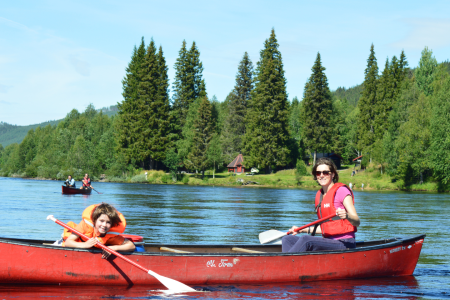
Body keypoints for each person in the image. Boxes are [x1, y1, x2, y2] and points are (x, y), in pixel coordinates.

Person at [282, 157, 360, 253]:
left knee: (307, 240)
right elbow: (324, 227)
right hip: (329, 241)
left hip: (345, 243)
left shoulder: (341, 191)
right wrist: (301, 230)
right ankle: (293, 264)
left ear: (333, 174)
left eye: (325, 172)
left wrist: (347, 216)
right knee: (287, 239)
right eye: (318, 173)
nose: (321, 175)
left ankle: (285, 264)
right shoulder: (320, 196)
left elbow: (357, 221)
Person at [62, 203, 135, 257]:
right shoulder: (85, 225)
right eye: (101, 221)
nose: (104, 225)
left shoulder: (111, 235)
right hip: (78, 246)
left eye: (108, 222)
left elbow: (131, 246)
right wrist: (85, 245)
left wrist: (113, 248)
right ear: (94, 220)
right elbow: (68, 243)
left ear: (112, 224)